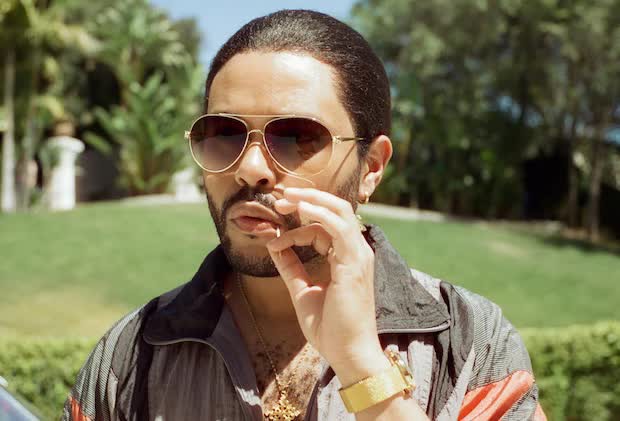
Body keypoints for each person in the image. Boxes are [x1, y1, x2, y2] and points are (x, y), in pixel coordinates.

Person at [64, 9, 547, 421]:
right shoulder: (131, 357)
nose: (250, 168)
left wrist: (363, 368)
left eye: (295, 137)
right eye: (224, 134)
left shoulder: (471, 345)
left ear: (371, 167)